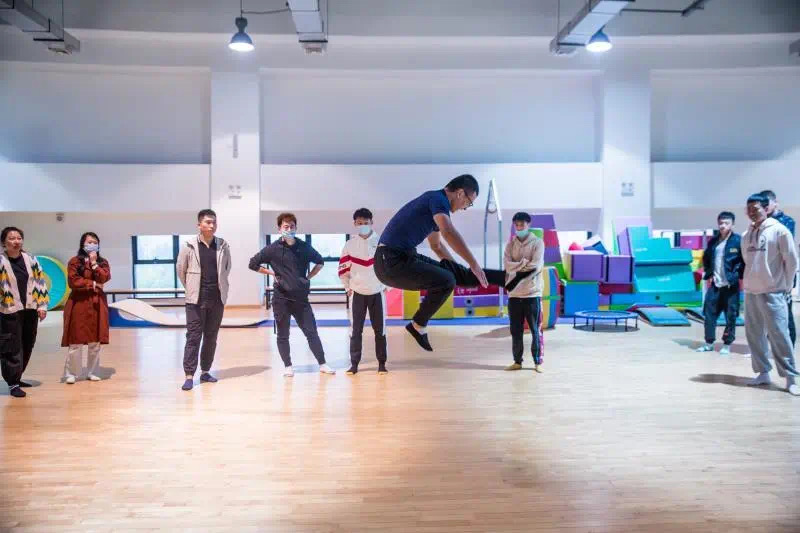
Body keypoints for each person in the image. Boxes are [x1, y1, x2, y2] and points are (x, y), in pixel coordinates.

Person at [374, 174, 506, 351]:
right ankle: (418, 324)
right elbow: (448, 232)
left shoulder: (434, 206)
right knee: (447, 280)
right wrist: (473, 264)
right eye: (469, 202)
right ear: (460, 193)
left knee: (454, 275)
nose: (465, 207)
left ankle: (506, 279)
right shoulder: (437, 199)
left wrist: (460, 270)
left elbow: (436, 246)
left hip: (402, 257)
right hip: (390, 262)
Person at [249, 212, 335, 377]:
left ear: (296, 227)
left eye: (292, 226)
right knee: (283, 334)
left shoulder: (303, 246)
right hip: (281, 299)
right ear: (279, 229)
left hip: (301, 299)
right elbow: (252, 263)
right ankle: (288, 366)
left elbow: (320, 261)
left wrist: (308, 277)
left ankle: (323, 364)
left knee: (311, 332)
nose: (289, 229)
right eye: (286, 227)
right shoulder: (272, 249)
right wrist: (272, 273)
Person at [742, 194, 799, 396]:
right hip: (751, 291)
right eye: (749, 209)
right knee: (754, 335)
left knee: (779, 334)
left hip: (773, 291)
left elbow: (791, 261)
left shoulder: (780, 231)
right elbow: (747, 260)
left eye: (756, 209)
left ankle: (790, 378)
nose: (752, 212)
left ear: (766, 209)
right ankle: (763, 372)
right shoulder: (746, 234)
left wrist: (787, 286)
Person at [176, 209, 232, 391]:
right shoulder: (188, 246)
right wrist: (192, 288)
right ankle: (189, 375)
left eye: (214, 222)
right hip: (196, 300)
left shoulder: (223, 245)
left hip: (216, 299)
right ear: (199, 225)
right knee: (193, 337)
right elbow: (181, 270)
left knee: (211, 337)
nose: (212, 225)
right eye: (208, 222)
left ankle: (206, 371)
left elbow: (227, 268)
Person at [0, 226, 49, 398]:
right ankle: (12, 382)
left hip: (30, 309)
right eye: (12, 238)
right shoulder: (1, 261)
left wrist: (42, 306)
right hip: (8, 310)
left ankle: (17, 377)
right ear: (4, 242)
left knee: (27, 343)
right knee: (11, 346)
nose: (16, 241)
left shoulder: (31, 260)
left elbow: (40, 282)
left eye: (19, 238)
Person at [338, 208, 387, 375]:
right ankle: (354, 364)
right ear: (355, 224)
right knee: (355, 330)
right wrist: (347, 288)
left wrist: (386, 287)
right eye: (360, 223)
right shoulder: (349, 245)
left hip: (377, 292)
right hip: (357, 292)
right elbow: (343, 270)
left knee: (380, 330)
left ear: (372, 222)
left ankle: (382, 363)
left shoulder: (382, 243)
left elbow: (390, 267)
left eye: (366, 223)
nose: (363, 225)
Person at [61, 232, 111, 384]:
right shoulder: (75, 261)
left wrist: (94, 264)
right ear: (83, 244)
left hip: (97, 303)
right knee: (75, 340)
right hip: (79, 303)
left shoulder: (102, 262)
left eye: (95, 242)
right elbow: (73, 281)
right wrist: (94, 284)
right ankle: (71, 373)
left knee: (95, 341)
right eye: (89, 242)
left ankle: (92, 372)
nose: (92, 244)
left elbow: (104, 277)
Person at [696, 212, 745, 355]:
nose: (723, 226)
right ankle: (709, 343)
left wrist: (737, 276)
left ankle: (727, 344)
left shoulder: (738, 241)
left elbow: (744, 261)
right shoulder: (713, 242)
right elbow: (706, 259)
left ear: (732, 224)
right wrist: (709, 274)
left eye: (726, 223)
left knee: (731, 316)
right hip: (715, 286)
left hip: (730, 286)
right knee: (709, 314)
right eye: (721, 223)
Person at [503, 212, 544, 371]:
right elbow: (507, 266)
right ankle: (517, 362)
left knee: (535, 330)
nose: (519, 228)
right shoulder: (510, 245)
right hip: (514, 294)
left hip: (532, 293)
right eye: (517, 225)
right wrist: (523, 263)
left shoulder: (538, 243)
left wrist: (517, 266)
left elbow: (535, 267)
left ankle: (537, 362)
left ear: (529, 225)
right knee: (516, 331)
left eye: (522, 225)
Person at [761, 189, 797, 347]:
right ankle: (771, 347)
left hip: (782, 275)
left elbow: (785, 250)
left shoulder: (786, 222)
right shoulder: (762, 222)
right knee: (767, 313)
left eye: (766, 203)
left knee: (784, 313)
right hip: (766, 275)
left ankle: (789, 347)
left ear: (775, 203)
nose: (764, 207)